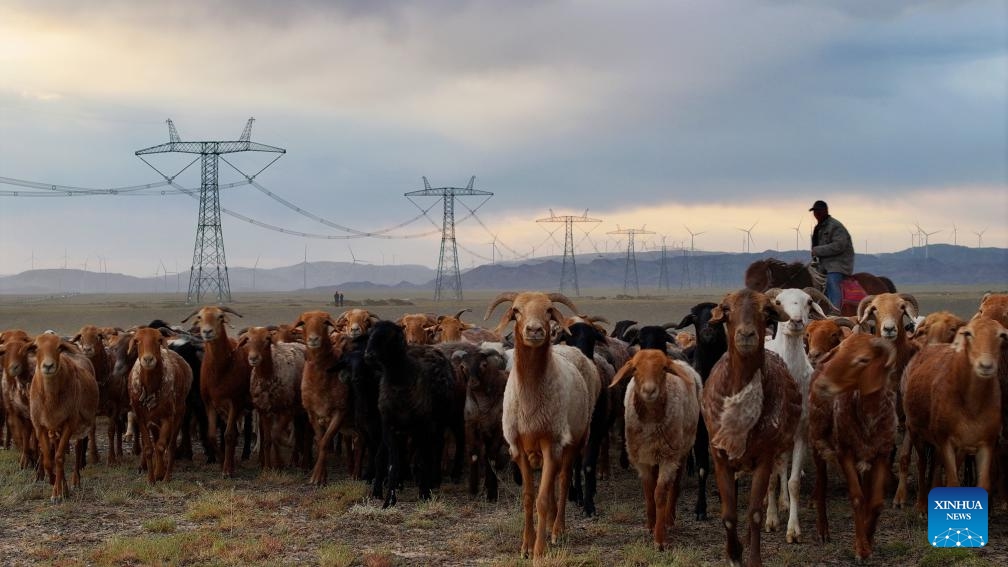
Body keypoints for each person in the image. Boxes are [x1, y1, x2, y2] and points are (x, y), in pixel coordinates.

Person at [809, 200, 854, 308]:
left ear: (825, 211)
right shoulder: (819, 228)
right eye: (815, 212)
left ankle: (835, 309)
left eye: (818, 211)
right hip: (823, 265)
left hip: (838, 264)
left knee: (832, 281)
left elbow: (839, 245)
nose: (816, 214)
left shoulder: (835, 226)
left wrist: (817, 250)